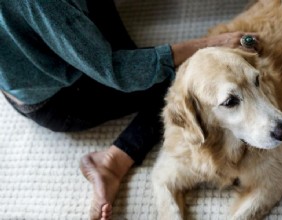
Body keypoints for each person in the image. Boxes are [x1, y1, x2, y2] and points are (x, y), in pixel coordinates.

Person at [0, 0, 259, 219]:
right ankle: (112, 162)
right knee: (184, 85)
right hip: (62, 98)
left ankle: (104, 49)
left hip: (23, 71)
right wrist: (209, 44)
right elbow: (118, 71)